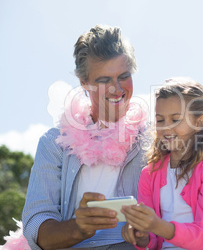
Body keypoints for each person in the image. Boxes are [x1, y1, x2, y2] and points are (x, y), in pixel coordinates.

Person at [22, 25, 148, 249]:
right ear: (84, 83)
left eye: (124, 76)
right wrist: (77, 228)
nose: (116, 89)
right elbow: (35, 224)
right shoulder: (54, 143)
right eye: (103, 80)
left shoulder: (154, 138)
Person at [121, 78, 203, 249]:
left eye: (175, 120)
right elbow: (151, 241)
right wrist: (141, 235)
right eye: (160, 120)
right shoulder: (150, 174)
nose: (166, 128)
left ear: (199, 122)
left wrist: (157, 225)